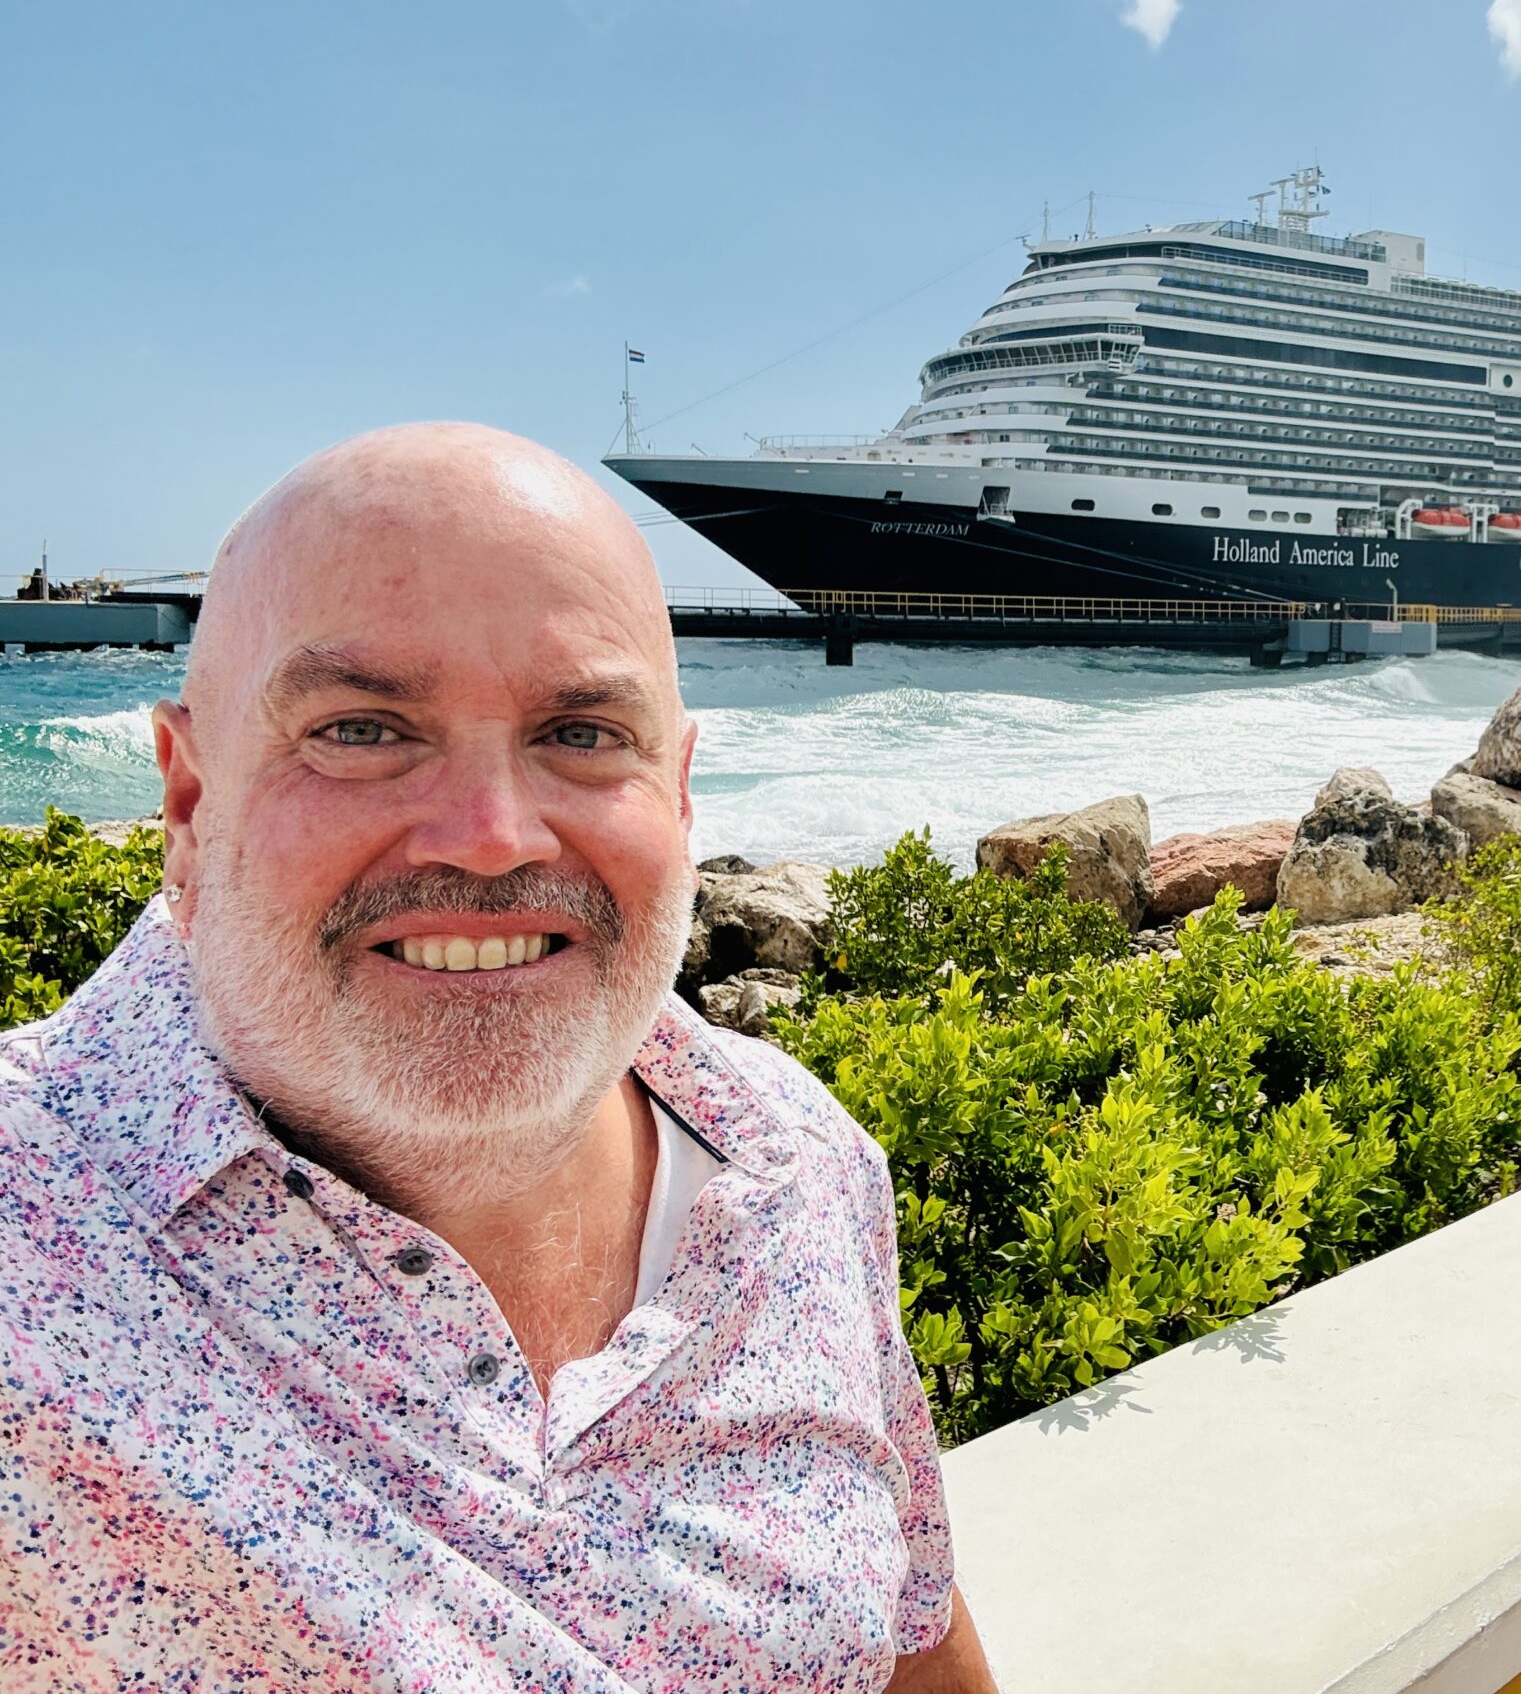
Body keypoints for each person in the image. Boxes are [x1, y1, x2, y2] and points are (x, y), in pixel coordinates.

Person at [0, 426, 997, 1691]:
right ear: (190, 803)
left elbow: (908, 1633)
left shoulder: (799, 1162)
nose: (490, 837)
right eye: (362, 728)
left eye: (581, 732)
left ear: (680, 795)